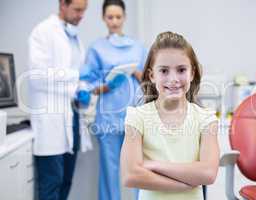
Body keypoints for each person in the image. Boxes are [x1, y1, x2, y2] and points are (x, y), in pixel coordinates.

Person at [121, 31, 220, 200]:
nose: (173, 79)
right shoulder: (137, 116)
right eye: (164, 71)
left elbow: (208, 173)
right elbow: (131, 175)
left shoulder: (206, 119)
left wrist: (154, 165)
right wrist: (184, 183)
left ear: (192, 73)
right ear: (152, 75)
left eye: (181, 70)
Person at [78, 0, 147, 199]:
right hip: (108, 117)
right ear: (103, 18)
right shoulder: (97, 48)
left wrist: (135, 72)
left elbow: (151, 79)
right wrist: (106, 86)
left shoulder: (138, 47)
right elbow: (86, 83)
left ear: (124, 17)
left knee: (137, 170)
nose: (114, 21)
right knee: (110, 170)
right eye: (110, 17)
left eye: (118, 17)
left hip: (135, 115)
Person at [28, 0, 88, 200]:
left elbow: (79, 74)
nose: (81, 15)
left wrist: (82, 89)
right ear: (63, 4)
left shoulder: (74, 38)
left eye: (84, 10)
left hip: (72, 117)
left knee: (66, 179)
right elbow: (38, 76)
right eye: (77, 9)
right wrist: (74, 78)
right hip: (50, 119)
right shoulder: (43, 32)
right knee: (52, 181)